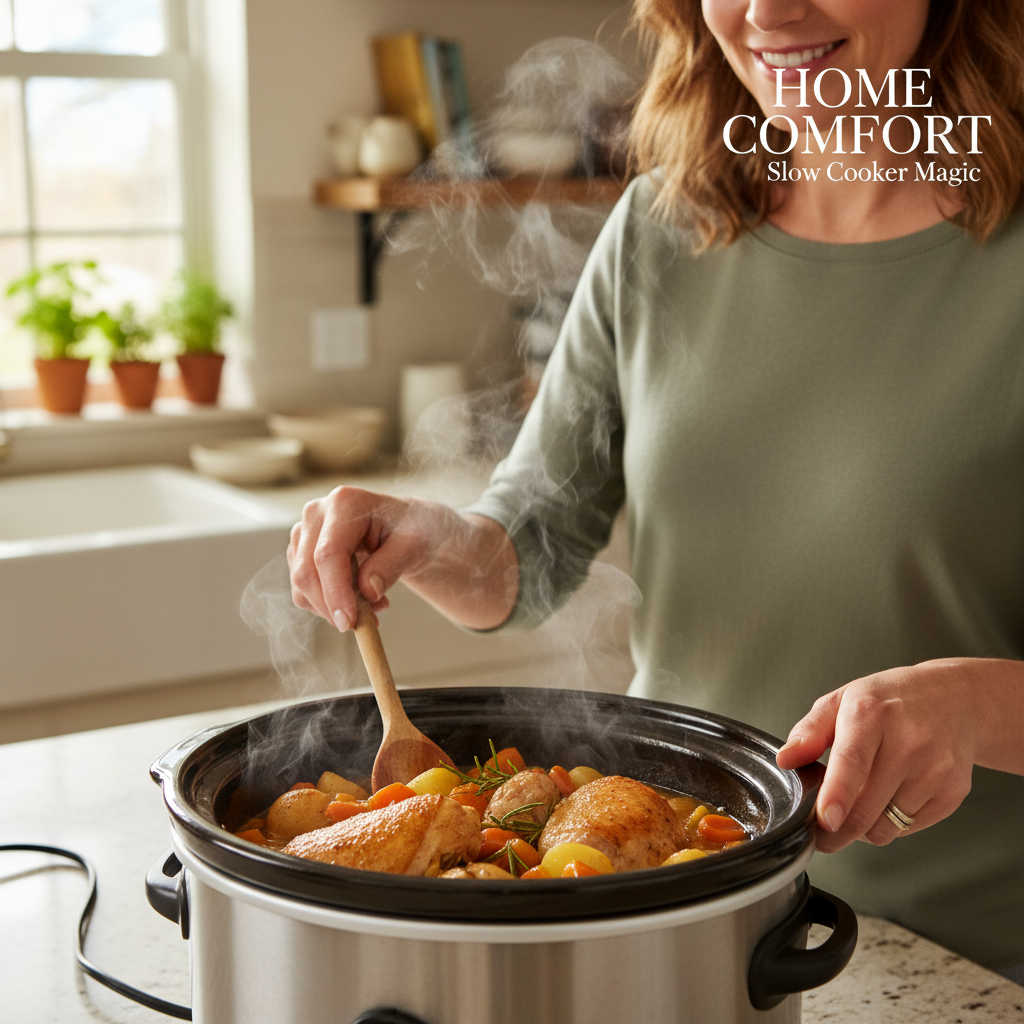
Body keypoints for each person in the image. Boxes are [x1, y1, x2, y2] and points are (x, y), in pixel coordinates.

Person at [289, 0, 1024, 975]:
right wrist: (431, 535)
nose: (767, 12)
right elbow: (530, 549)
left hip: (969, 961)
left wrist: (971, 704)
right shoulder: (661, 227)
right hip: (674, 923)